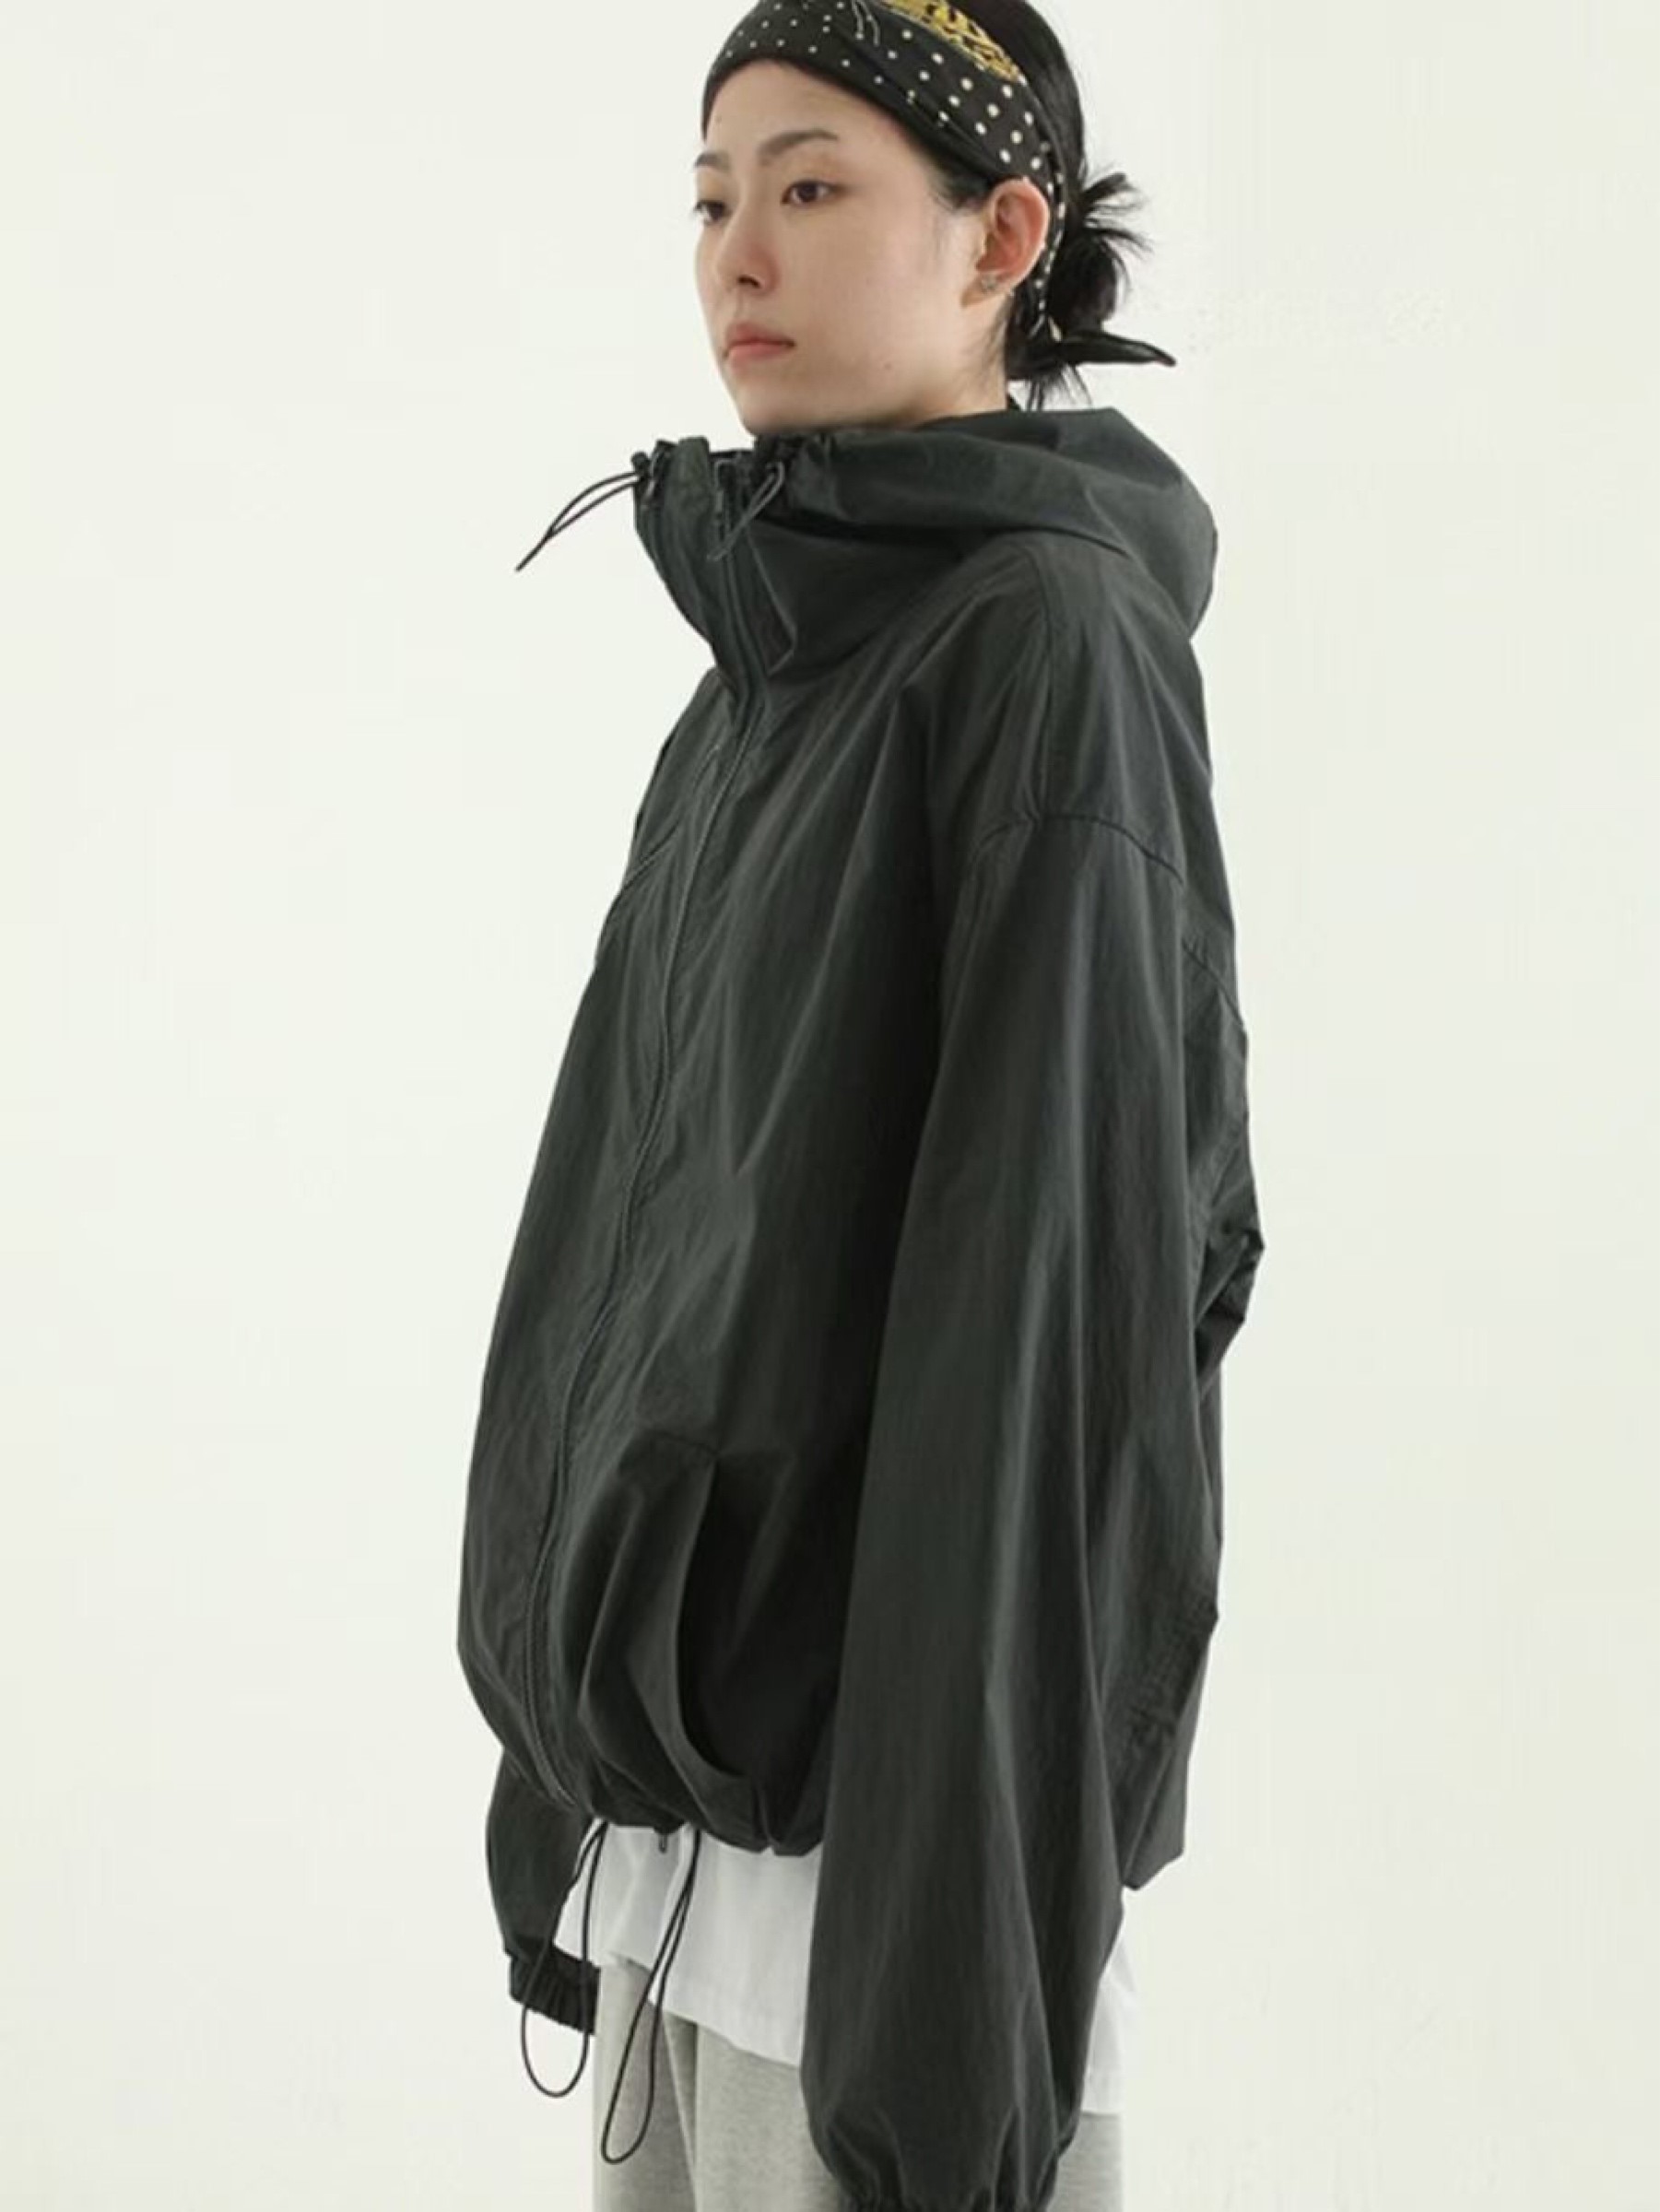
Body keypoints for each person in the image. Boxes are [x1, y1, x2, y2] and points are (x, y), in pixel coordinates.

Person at [456, 2, 1267, 2207]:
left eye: (811, 188)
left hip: (870, 1907)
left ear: (1002, 236)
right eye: (712, 197)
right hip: (682, 1862)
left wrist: (941, 1994)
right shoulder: (769, 677)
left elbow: (1043, 1351)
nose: (738, 252)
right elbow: (634, 1262)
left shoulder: (1048, 651)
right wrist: (566, 1783)